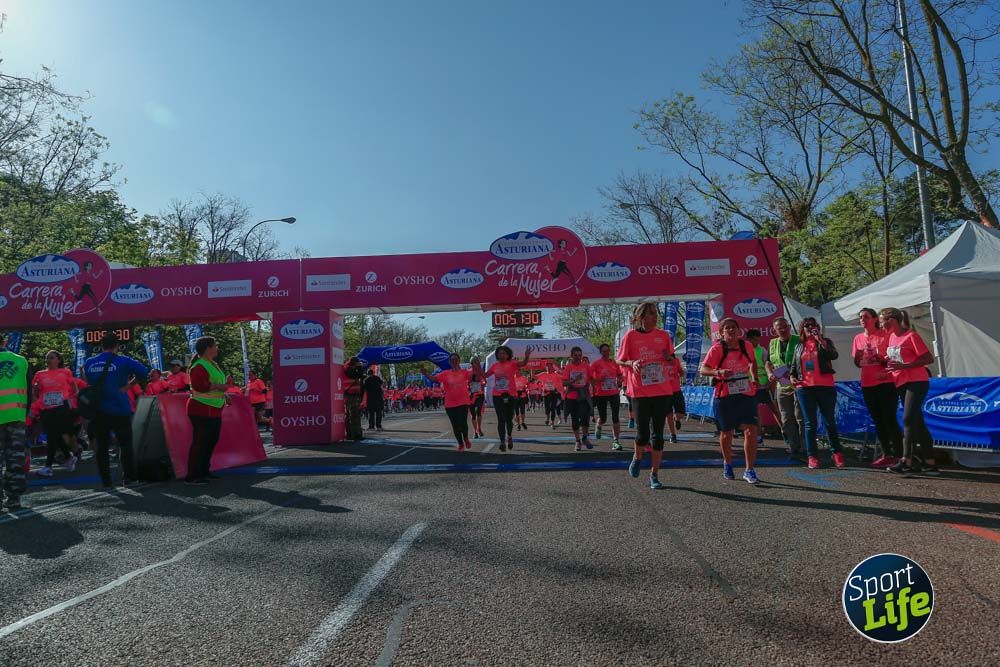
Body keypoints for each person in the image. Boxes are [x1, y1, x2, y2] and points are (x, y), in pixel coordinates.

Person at [616, 302, 677, 490]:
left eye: (655, 313)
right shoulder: (631, 336)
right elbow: (620, 359)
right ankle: (637, 456)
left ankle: (654, 474)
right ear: (641, 317)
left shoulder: (663, 335)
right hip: (640, 391)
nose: (655, 316)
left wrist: (669, 358)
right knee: (643, 435)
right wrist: (632, 362)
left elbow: (673, 358)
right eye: (651, 313)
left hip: (661, 389)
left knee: (657, 436)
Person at [83, 334, 149, 488]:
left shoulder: (89, 362)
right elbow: (144, 371)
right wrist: (128, 386)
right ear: (117, 346)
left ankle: (106, 481)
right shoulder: (123, 360)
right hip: (120, 407)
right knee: (125, 444)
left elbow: (88, 382)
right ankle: (130, 478)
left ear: (101, 345)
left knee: (102, 446)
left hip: (98, 410)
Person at [700, 318, 761, 484]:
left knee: (751, 430)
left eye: (733, 328)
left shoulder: (746, 346)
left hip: (745, 392)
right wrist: (718, 372)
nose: (731, 331)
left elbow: (752, 363)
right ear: (721, 333)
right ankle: (727, 463)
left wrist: (754, 377)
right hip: (725, 394)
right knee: (727, 432)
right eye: (727, 328)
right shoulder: (717, 348)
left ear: (739, 330)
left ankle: (749, 469)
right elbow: (703, 369)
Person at [880, 308, 938, 474]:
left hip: (917, 381)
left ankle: (906, 460)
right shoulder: (891, 337)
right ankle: (930, 462)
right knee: (917, 423)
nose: (881, 324)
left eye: (882, 320)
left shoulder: (911, 335)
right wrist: (887, 367)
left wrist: (905, 366)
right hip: (901, 382)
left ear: (891, 320)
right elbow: (895, 359)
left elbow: (928, 358)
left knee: (907, 419)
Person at [789, 317, 845, 470]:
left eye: (812, 325)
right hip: (805, 388)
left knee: (829, 422)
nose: (809, 327)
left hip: (825, 387)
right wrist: (792, 377)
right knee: (809, 424)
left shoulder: (825, 342)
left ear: (818, 327)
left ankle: (837, 453)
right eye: (806, 325)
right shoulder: (799, 346)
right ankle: (812, 455)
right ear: (802, 329)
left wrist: (820, 340)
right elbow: (793, 367)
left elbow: (833, 355)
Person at [852, 308, 902, 468]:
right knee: (878, 421)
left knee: (890, 419)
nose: (862, 320)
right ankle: (887, 454)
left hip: (886, 382)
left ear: (874, 319)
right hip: (867, 384)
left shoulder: (885, 335)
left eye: (866, 317)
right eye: (860, 317)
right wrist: (858, 358)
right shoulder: (858, 338)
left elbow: (893, 357)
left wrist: (881, 360)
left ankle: (900, 455)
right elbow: (857, 362)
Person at [184, 336, 230, 485]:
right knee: (200, 442)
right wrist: (220, 388)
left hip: (214, 408)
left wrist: (224, 394)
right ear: (208, 348)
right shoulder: (199, 365)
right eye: (215, 345)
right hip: (201, 408)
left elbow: (215, 383)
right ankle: (192, 475)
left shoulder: (212, 364)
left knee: (210, 441)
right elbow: (199, 385)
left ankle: (204, 471)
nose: (217, 348)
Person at [32, 350, 79, 477]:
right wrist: (36, 405)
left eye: (51, 358)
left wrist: (66, 398)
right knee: (54, 435)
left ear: (58, 360)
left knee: (52, 436)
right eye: (47, 358)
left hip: (61, 408)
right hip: (46, 409)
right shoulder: (39, 374)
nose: (48, 360)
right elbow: (34, 393)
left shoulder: (65, 372)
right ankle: (69, 457)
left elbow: (75, 389)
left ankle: (48, 467)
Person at [421, 354, 482, 450]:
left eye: (456, 359)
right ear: (449, 362)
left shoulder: (464, 372)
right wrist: (425, 374)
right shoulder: (445, 374)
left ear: (459, 361)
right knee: (455, 425)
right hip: (450, 404)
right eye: (452, 360)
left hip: (463, 402)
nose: (454, 361)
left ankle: (466, 438)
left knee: (463, 423)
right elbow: (434, 379)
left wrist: (477, 367)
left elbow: (477, 378)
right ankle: (461, 444)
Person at [765, 317, 804, 458]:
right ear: (774, 330)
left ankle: (805, 446)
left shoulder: (798, 340)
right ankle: (793, 446)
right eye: (779, 327)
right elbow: (768, 362)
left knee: (800, 416)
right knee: (786, 417)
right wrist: (770, 373)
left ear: (789, 327)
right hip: (782, 385)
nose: (782, 329)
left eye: (785, 326)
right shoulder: (773, 343)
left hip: (798, 383)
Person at [484, 345, 532, 451]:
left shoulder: (512, 364)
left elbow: (523, 363)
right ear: (497, 355)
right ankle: (502, 442)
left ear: (508, 355)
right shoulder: (494, 365)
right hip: (497, 395)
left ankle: (509, 436)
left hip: (511, 395)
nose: (502, 355)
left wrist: (527, 357)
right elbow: (485, 375)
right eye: (500, 353)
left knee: (509, 419)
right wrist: (477, 368)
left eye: (504, 353)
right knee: (501, 419)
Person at [0, 338, 29, 512]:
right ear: (4, 342)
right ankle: (14, 499)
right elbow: (29, 390)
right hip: (16, 416)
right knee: (15, 459)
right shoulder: (20, 360)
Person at [746, 329, 783, 446]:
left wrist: (768, 382)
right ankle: (759, 435)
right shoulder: (744, 350)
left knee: (774, 409)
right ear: (749, 339)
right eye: (754, 340)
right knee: (755, 412)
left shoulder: (762, 350)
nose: (757, 342)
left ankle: (784, 431)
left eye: (758, 339)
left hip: (764, 385)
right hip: (751, 386)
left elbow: (768, 364)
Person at [589, 343, 623, 450]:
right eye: (604, 351)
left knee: (615, 417)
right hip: (601, 394)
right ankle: (599, 425)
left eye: (607, 351)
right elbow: (589, 377)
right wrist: (597, 380)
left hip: (614, 393)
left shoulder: (614, 363)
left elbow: (619, 375)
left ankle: (616, 441)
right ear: (600, 352)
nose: (606, 353)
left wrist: (620, 381)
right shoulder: (596, 364)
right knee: (603, 418)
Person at [561, 346, 593, 451]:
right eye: (575, 355)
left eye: (579, 355)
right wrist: (574, 380)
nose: (578, 357)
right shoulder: (568, 367)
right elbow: (564, 382)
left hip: (583, 395)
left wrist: (595, 387)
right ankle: (577, 441)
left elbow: (590, 379)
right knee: (575, 420)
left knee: (585, 419)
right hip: (572, 396)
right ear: (571, 356)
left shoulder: (586, 366)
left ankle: (585, 438)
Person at [664, 355, 686, 444]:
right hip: (665, 392)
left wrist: (681, 373)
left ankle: (677, 419)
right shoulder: (660, 361)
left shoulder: (676, 361)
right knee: (668, 415)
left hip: (676, 390)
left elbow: (681, 372)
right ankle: (673, 435)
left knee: (680, 414)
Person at [343, 357, 366, 440]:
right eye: (357, 363)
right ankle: (354, 434)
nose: (359, 364)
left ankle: (352, 434)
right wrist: (360, 367)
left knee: (351, 415)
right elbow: (357, 375)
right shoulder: (348, 369)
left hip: (351, 394)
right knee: (353, 415)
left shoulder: (349, 368)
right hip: (350, 394)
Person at [537, 362, 563, 429]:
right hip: (546, 394)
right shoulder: (543, 374)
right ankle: (547, 417)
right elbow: (534, 377)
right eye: (547, 367)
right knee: (547, 408)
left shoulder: (556, 374)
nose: (549, 368)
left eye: (550, 367)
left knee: (553, 408)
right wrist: (533, 369)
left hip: (554, 394)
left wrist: (562, 371)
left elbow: (563, 378)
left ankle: (552, 422)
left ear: (552, 367)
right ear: (546, 368)